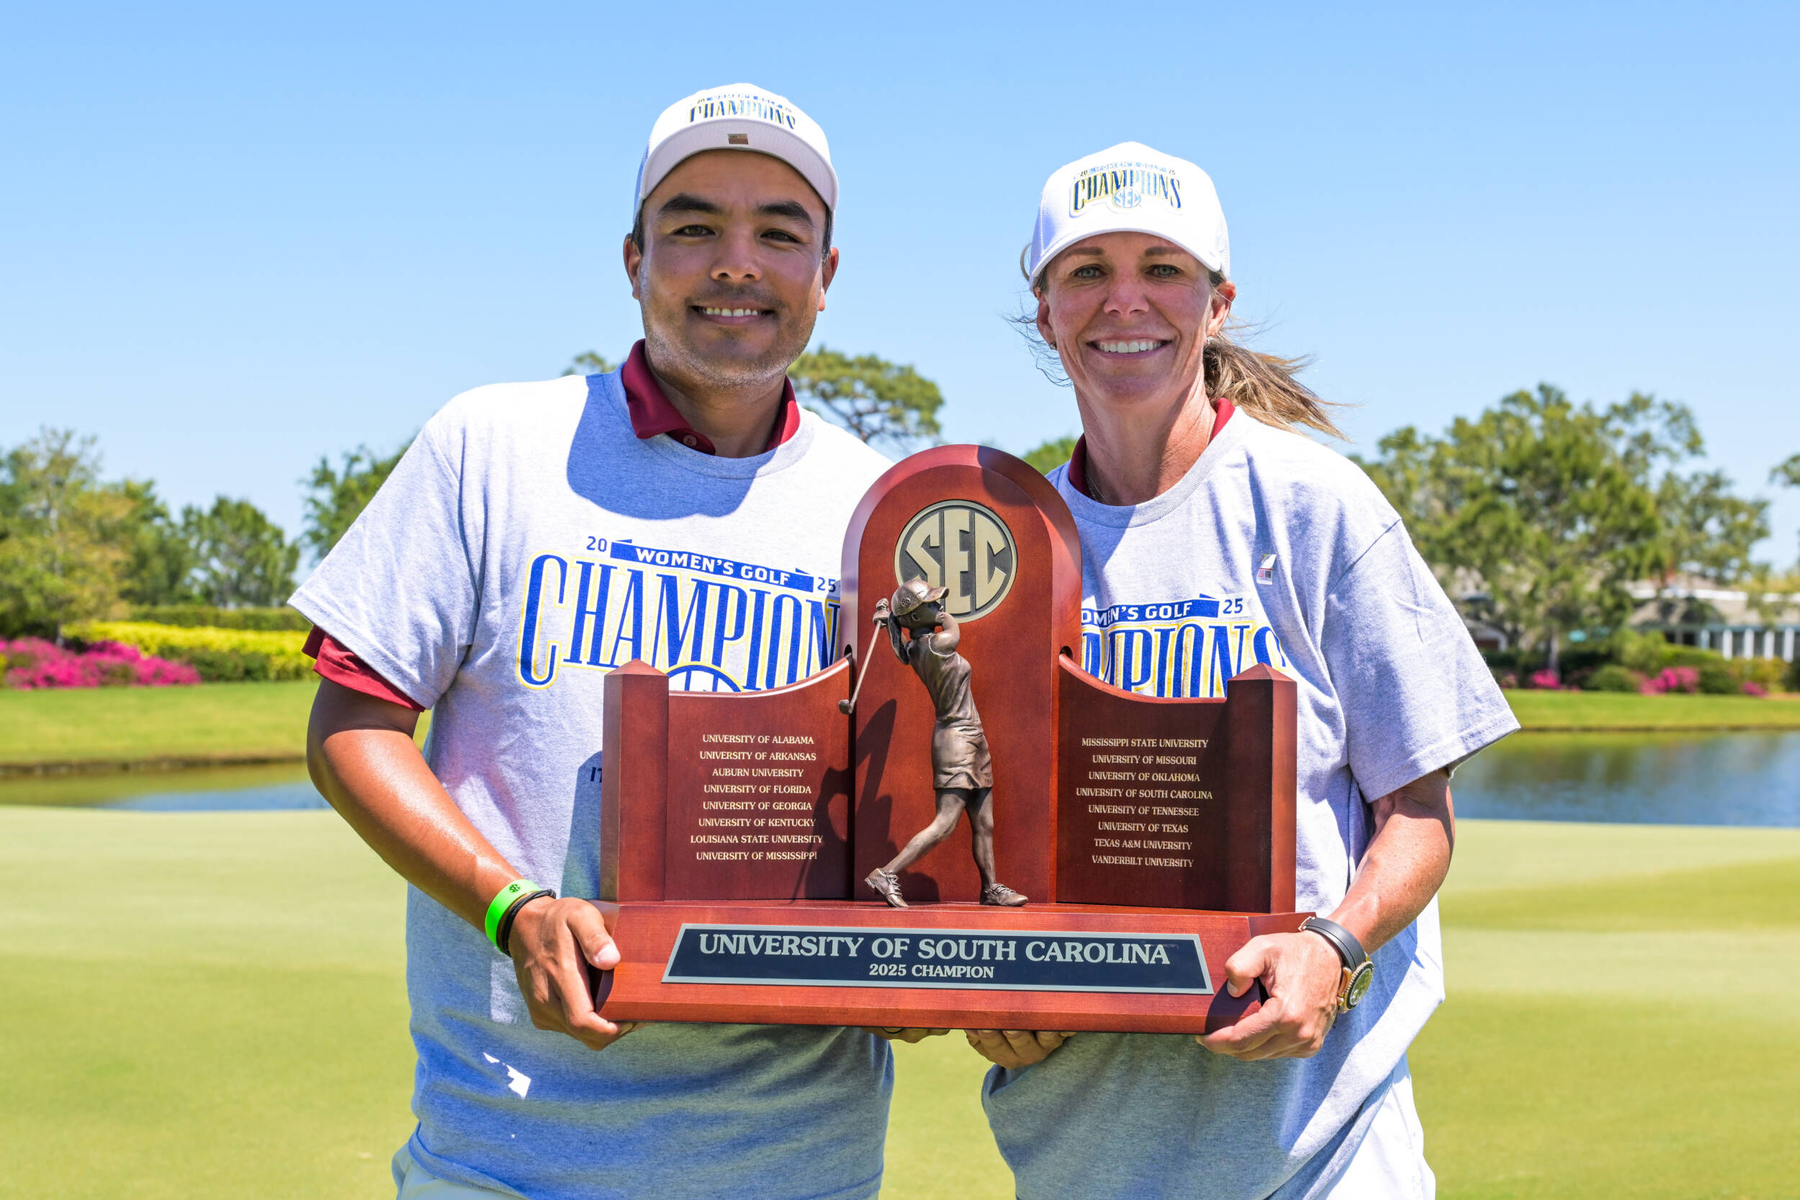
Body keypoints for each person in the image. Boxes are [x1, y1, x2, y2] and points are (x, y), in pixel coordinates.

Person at [296, 84, 901, 1200]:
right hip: (508, 1159)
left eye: (779, 230)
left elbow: (902, 811)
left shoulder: (880, 508)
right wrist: (507, 903)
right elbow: (351, 725)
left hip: (799, 1164)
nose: (736, 261)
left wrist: (915, 967)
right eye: (692, 227)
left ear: (826, 273)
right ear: (633, 259)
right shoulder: (493, 445)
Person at [965, 143, 1519, 1198]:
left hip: (1319, 1158)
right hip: (1076, 1152)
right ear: (1045, 314)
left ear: (1216, 302)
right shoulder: (1007, 536)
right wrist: (985, 990)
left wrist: (1334, 945)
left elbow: (1421, 812)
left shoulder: (1318, 506)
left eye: (1161, 267)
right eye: (1087, 271)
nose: (1125, 299)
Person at [863, 579, 1028, 908]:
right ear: (914, 619)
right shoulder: (936, 645)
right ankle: (886, 873)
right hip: (956, 739)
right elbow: (953, 628)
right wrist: (903, 619)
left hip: (972, 737)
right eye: (932, 603)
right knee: (946, 822)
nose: (939, 606)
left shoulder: (913, 648)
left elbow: (900, 649)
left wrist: (891, 624)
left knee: (984, 822)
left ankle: (991, 888)